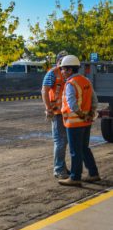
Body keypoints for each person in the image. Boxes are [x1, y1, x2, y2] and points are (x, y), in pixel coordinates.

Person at [57, 55, 100, 186]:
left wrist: (81, 115)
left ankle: (75, 177)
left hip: (75, 122)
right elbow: (94, 100)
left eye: (63, 69)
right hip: (86, 121)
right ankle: (93, 173)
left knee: (75, 151)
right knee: (84, 148)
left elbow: (72, 103)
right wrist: (90, 113)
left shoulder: (70, 83)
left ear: (70, 70)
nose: (62, 72)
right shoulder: (86, 81)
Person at [41, 50, 69, 179]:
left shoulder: (69, 72)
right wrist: (48, 108)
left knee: (65, 141)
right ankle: (58, 169)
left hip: (67, 112)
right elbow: (44, 91)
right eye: (62, 60)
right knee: (60, 141)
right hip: (57, 112)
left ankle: (62, 167)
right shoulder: (52, 73)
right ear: (58, 61)